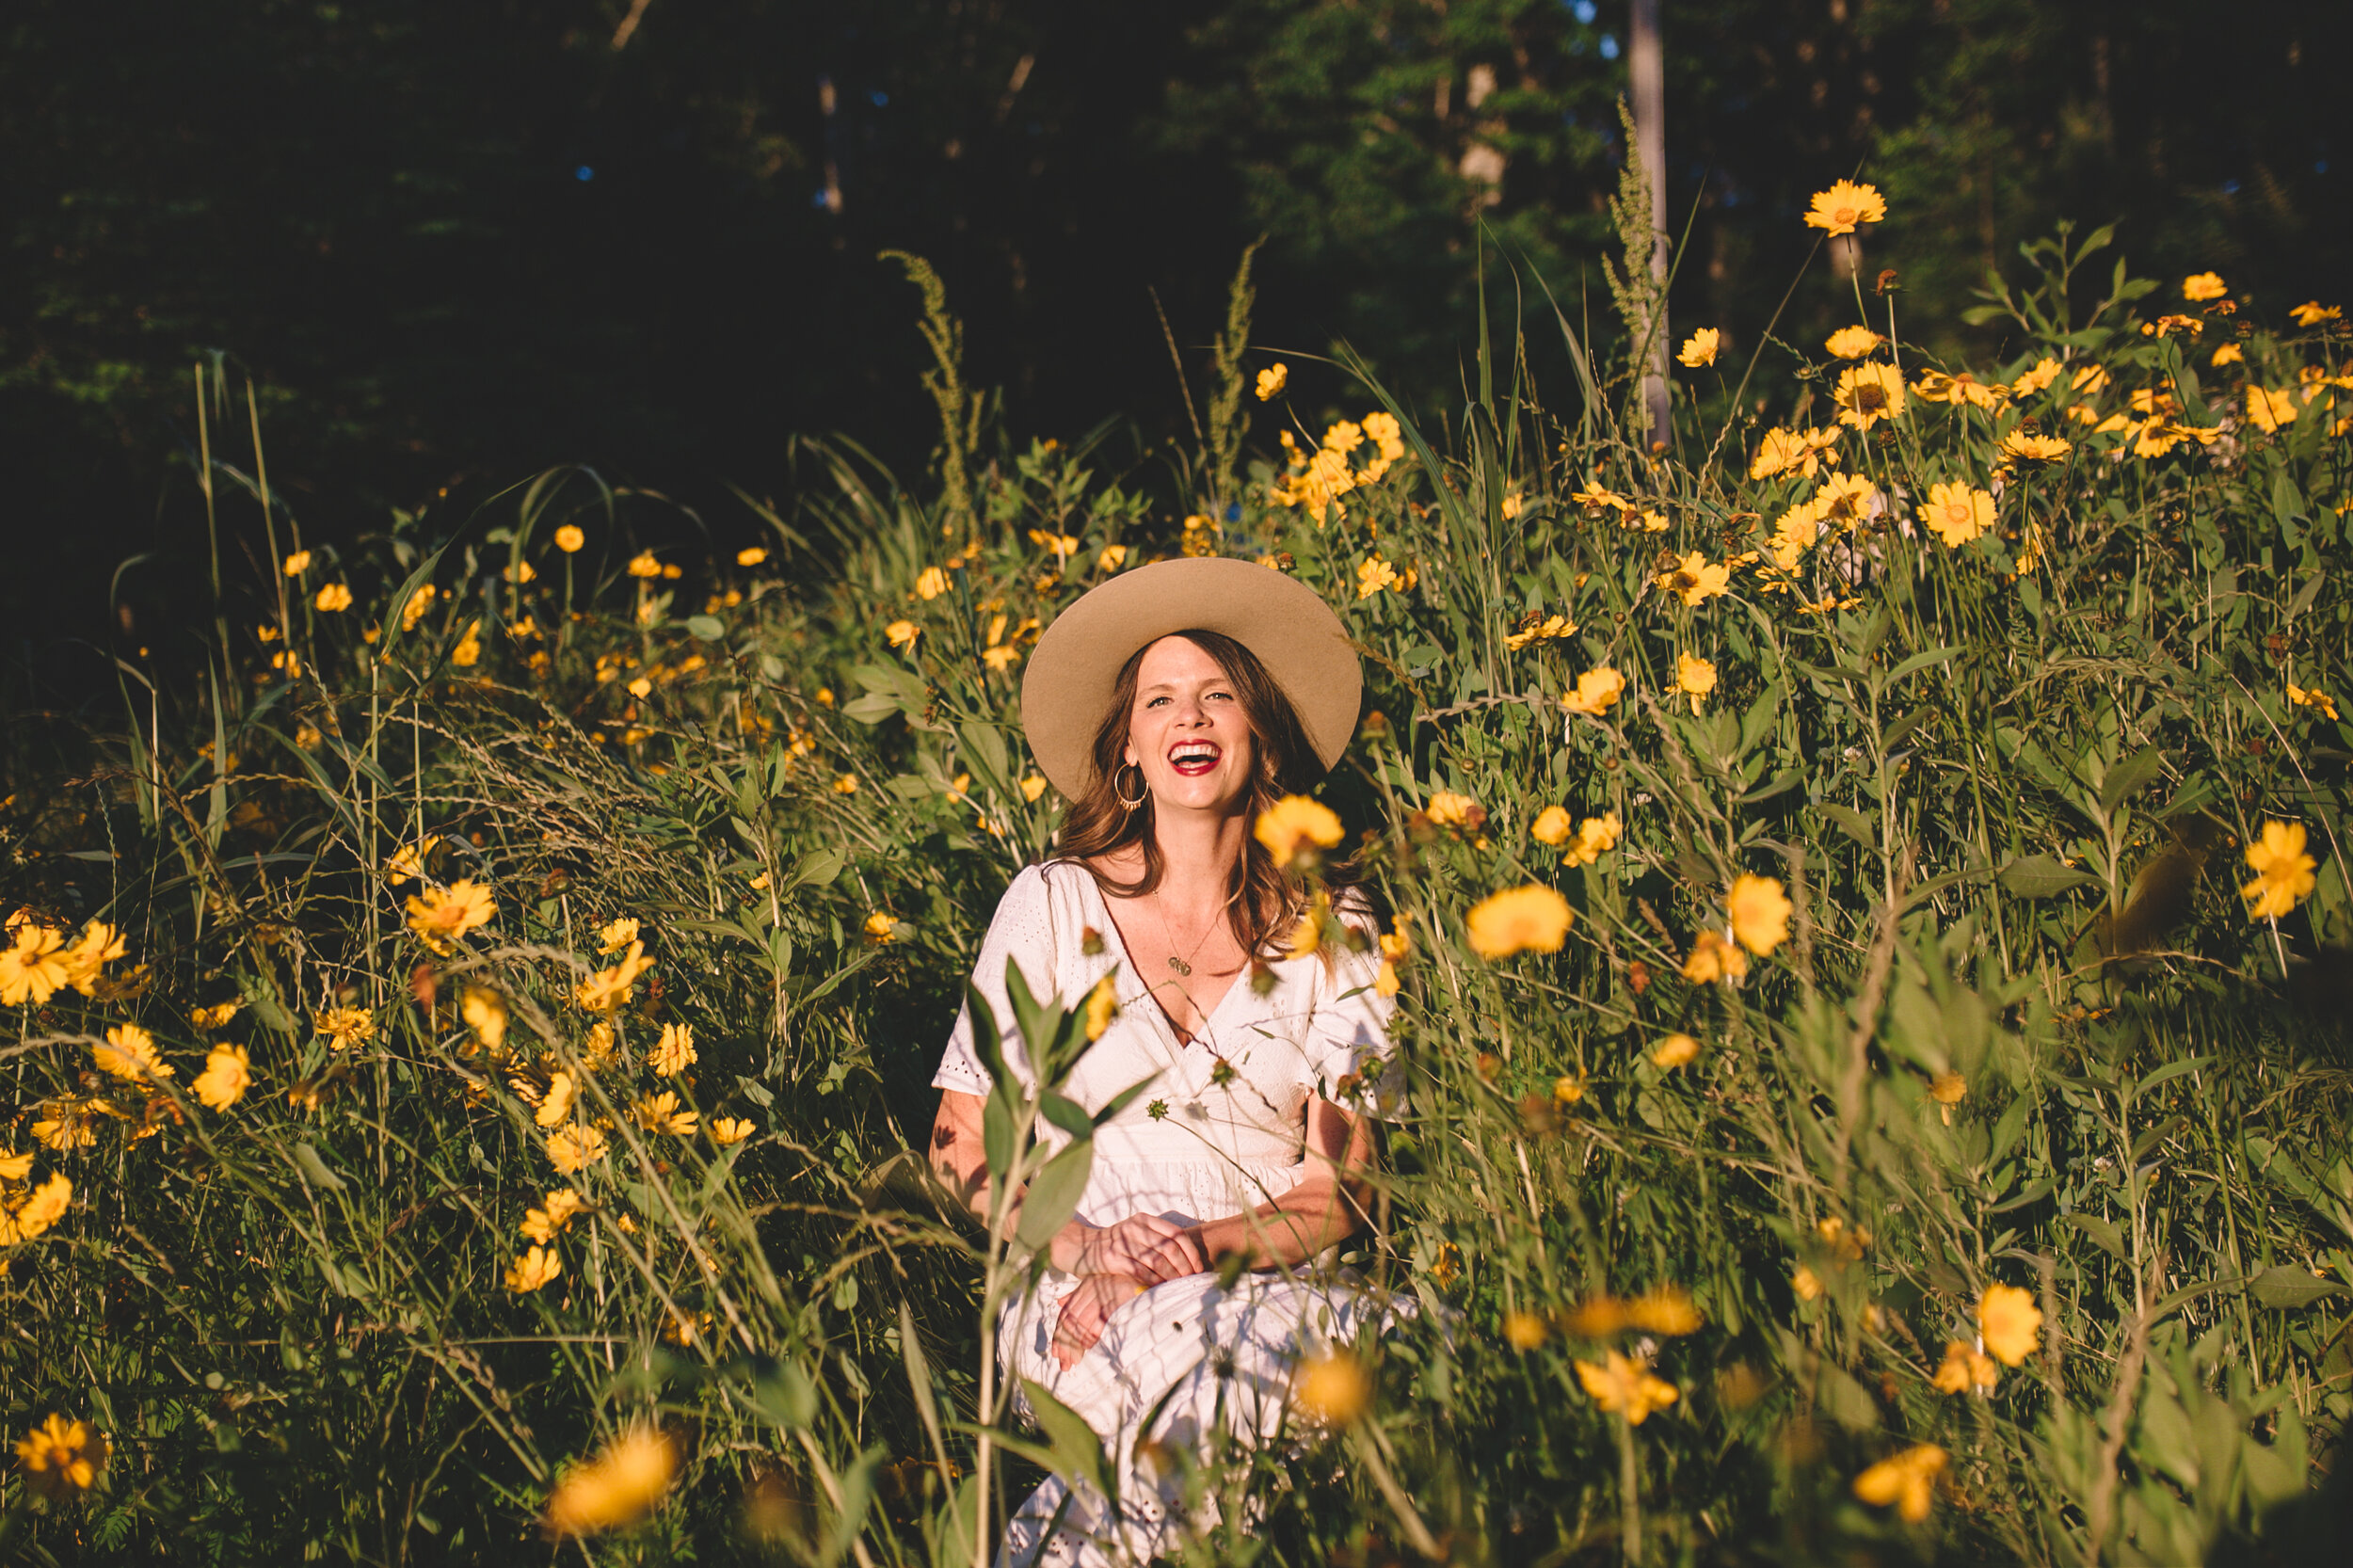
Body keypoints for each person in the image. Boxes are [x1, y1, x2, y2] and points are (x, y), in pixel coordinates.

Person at [926, 556, 1400, 1567]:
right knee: (1204, 1384)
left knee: (1238, 1376)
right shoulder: (1051, 902)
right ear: (1129, 750)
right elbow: (960, 1139)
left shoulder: (1335, 921)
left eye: (1218, 696)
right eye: (1160, 701)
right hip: (1073, 1277)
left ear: (1259, 733)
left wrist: (1191, 1250)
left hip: (1266, 1267)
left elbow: (1341, 1186)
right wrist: (1087, 1250)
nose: (1191, 719)